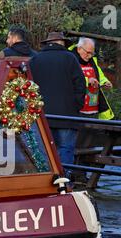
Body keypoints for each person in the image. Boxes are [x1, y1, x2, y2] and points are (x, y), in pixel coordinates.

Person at [29, 32, 86, 174]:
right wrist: (76, 105)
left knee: (44, 149)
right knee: (65, 149)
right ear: (62, 43)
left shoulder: (35, 60)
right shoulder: (70, 58)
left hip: (42, 114)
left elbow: (29, 86)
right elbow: (80, 85)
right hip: (67, 114)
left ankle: (45, 180)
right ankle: (63, 182)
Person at [69, 37, 114, 120]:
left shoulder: (92, 61)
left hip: (93, 111)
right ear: (79, 49)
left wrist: (105, 82)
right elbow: (69, 79)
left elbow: (100, 75)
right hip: (77, 110)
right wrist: (87, 81)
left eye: (92, 53)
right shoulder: (70, 60)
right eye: (88, 53)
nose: (89, 56)